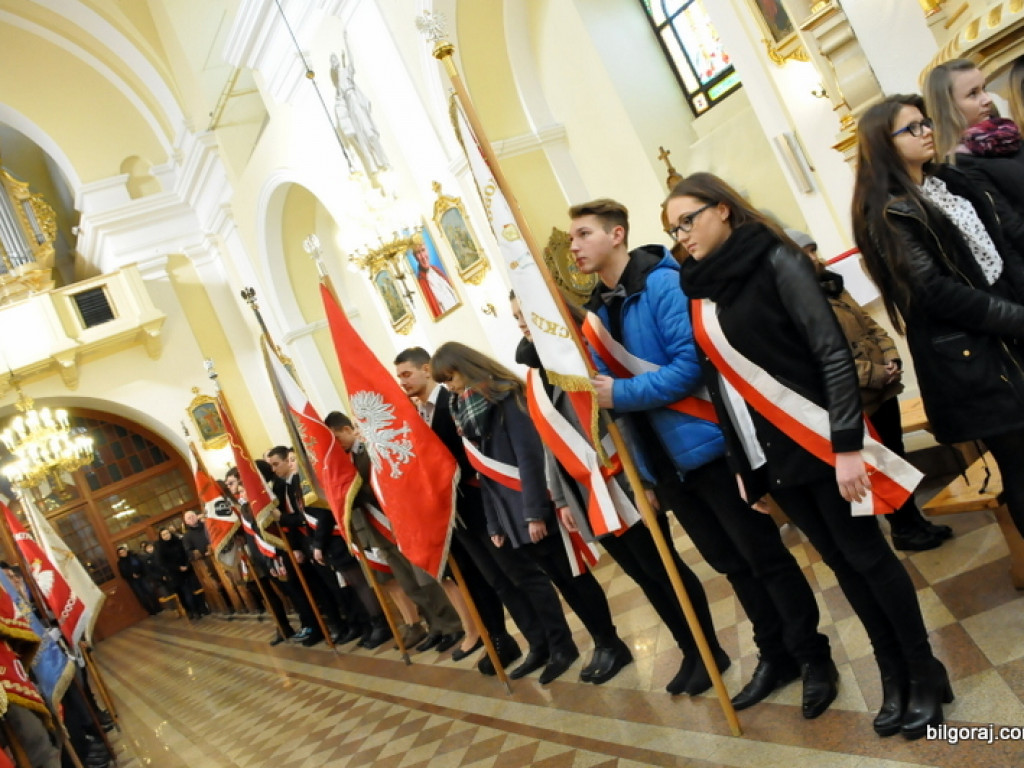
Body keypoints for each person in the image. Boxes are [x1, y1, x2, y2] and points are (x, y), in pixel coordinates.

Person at [669, 170, 950, 739]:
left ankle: (924, 670)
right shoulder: (701, 288)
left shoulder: (777, 259)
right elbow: (721, 384)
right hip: (771, 453)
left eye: (688, 219)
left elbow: (830, 354)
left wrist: (847, 446)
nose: (682, 236)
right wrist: (743, 468)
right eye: (672, 229)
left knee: (868, 556)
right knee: (842, 565)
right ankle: (892, 671)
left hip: (822, 440)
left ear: (722, 208)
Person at [572, 199, 834, 712]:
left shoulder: (665, 284)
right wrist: (643, 472)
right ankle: (775, 654)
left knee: (765, 558)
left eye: (583, 235)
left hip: (712, 446)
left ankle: (814, 657)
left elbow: (689, 366)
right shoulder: (600, 312)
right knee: (730, 564)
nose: (574, 247)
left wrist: (619, 395)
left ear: (617, 234)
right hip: (666, 464)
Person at [852, 93, 1024, 534]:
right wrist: (1015, 317)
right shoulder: (888, 211)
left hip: (1007, 330)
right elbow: (934, 292)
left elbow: (998, 250)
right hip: (976, 353)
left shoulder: (946, 183)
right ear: (884, 144)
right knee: (1021, 469)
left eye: (924, 122)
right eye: (911, 128)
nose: (926, 131)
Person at [431, 342, 631, 686]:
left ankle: (610, 641)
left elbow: (530, 459)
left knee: (575, 577)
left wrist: (535, 513)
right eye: (445, 381)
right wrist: (495, 523)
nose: (450, 386)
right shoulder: (465, 410)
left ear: (468, 366)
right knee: (560, 581)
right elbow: (485, 477)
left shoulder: (507, 398)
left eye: (451, 377)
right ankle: (599, 643)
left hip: (533, 505)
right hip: (508, 514)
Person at [785, 228, 953, 552]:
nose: (812, 257)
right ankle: (903, 529)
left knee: (896, 457)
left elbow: (870, 325)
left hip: (882, 391)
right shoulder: (799, 302)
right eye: (804, 252)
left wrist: (890, 355)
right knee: (882, 466)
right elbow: (826, 359)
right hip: (859, 399)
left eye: (813, 249)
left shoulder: (832, 285)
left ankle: (915, 521)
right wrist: (876, 373)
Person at [395, 346, 539, 672]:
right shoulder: (416, 416)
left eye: (406, 374)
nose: (402, 382)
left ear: (426, 369)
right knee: (484, 581)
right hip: (450, 515)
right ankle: (501, 640)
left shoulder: (450, 402)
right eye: (398, 376)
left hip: (477, 502)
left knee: (512, 576)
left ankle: (540, 639)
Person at [323, 412, 464, 653]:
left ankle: (452, 625)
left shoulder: (369, 448)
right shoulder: (344, 460)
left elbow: (387, 482)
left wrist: (355, 492)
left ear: (347, 429)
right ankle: (435, 627)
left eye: (337, 437)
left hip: (396, 522)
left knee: (425, 580)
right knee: (409, 585)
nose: (337, 444)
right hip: (377, 530)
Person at [924, 59, 1024, 212]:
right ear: (948, 107)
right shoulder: (960, 165)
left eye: (984, 89)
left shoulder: (1007, 136)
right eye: (973, 94)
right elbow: (1008, 227)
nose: (987, 99)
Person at [154, 526, 202, 620]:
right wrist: (177, 568)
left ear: (170, 533)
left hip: (187, 570)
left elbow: (186, 553)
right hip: (174, 574)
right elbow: (163, 563)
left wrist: (186, 565)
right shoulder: (160, 548)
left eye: (167, 533)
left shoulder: (179, 541)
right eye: (163, 535)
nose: (166, 536)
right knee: (182, 594)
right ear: (161, 537)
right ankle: (189, 611)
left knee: (190, 591)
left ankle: (196, 610)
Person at [412, 236, 459, 317]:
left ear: (427, 250)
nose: (423, 256)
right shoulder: (421, 283)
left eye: (423, 250)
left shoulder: (437, 270)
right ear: (415, 257)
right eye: (418, 253)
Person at [116, 544, 159, 615]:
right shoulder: (120, 563)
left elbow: (141, 565)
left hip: (141, 577)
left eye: (123, 551)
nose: (123, 553)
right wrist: (131, 575)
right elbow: (123, 574)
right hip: (133, 581)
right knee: (141, 596)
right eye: (121, 553)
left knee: (150, 592)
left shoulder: (133, 557)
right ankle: (151, 611)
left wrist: (139, 573)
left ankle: (158, 608)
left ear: (126, 551)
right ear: (119, 555)